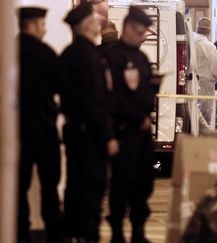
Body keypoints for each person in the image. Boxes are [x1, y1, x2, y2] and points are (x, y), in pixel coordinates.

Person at [60, 3, 119, 242]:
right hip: (90, 134)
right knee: (92, 187)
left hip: (74, 129)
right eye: (95, 21)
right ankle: (88, 234)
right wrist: (107, 136)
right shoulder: (90, 57)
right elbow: (95, 101)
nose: (98, 25)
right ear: (86, 26)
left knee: (74, 185)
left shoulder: (68, 54)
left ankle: (73, 233)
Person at [104, 6, 158, 243]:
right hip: (123, 129)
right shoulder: (114, 58)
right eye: (139, 32)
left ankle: (138, 231)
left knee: (143, 181)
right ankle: (117, 232)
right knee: (121, 182)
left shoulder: (142, 57)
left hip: (143, 132)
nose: (142, 37)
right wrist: (139, 116)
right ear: (127, 28)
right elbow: (113, 97)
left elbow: (146, 90)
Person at [17, 7, 63, 243]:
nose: (44, 29)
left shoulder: (8, 50)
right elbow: (59, 85)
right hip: (44, 128)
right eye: (42, 24)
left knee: (19, 187)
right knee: (49, 187)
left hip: (18, 131)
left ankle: (20, 234)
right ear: (33, 25)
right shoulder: (45, 53)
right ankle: (54, 234)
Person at [193, 17, 217, 131]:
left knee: (192, 114)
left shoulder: (189, 41)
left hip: (190, 83)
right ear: (209, 32)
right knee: (204, 116)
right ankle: (204, 141)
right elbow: (216, 70)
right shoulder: (210, 47)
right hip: (206, 86)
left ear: (196, 28)